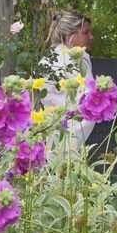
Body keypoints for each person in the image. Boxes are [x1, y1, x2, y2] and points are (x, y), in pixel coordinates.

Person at [41, 11, 95, 150]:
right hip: (75, 138)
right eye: (85, 32)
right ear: (71, 36)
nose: (91, 37)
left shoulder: (46, 60)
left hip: (48, 135)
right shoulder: (78, 58)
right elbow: (90, 99)